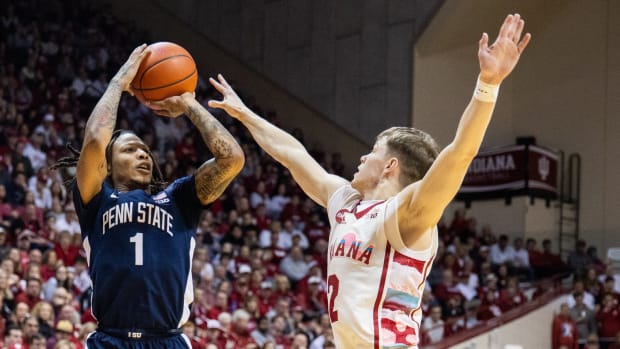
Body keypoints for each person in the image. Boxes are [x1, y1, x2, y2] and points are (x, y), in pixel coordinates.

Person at [207, 13, 530, 348]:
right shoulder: (347, 204)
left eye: (372, 151)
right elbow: (293, 154)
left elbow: (460, 154)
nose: (361, 158)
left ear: (390, 165)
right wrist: (244, 114)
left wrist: (488, 85)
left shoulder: (407, 214)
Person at [52, 45, 244, 348]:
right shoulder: (96, 199)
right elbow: (93, 141)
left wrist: (188, 105)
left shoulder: (179, 199)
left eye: (145, 150)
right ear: (109, 164)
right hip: (110, 340)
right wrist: (118, 83)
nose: (143, 154)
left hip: (168, 340)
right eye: (130, 150)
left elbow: (231, 159)